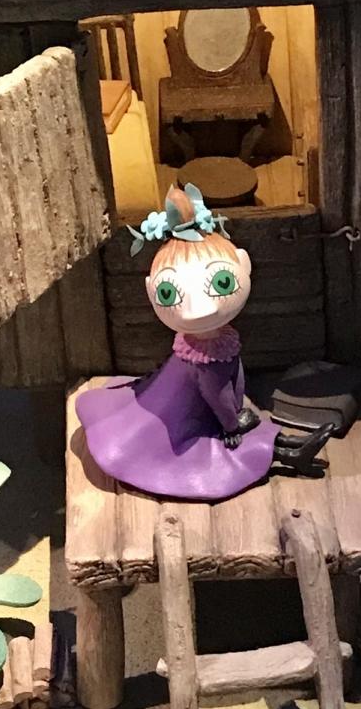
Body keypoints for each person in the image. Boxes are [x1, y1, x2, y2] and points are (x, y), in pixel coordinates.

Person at [75, 184, 334, 501]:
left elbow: (230, 382)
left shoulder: (209, 347)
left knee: (250, 420)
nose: (197, 309)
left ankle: (288, 445)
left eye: (222, 282)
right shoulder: (205, 359)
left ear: (244, 266)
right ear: (150, 291)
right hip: (189, 422)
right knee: (235, 441)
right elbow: (217, 395)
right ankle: (288, 453)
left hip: (197, 405)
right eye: (168, 294)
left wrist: (237, 408)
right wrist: (231, 424)